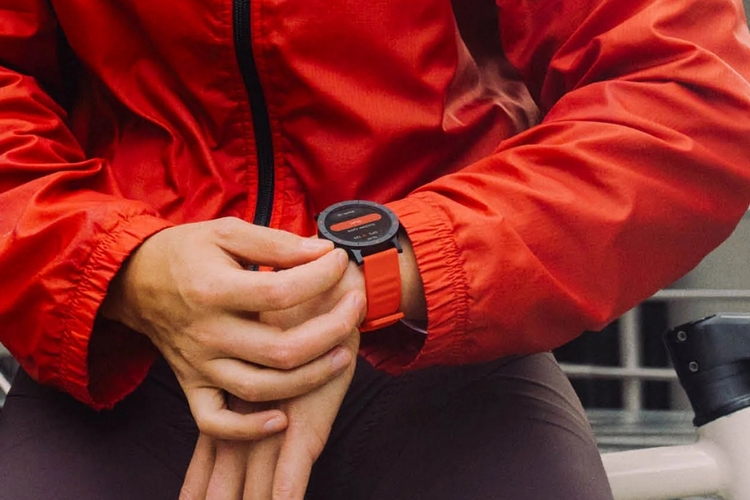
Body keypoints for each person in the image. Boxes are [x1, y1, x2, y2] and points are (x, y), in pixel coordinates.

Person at [1, 0, 750, 498]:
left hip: (440, 338)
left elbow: (682, 94)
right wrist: (124, 268)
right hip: (121, 342)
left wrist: (390, 273)